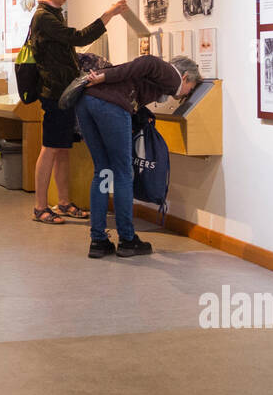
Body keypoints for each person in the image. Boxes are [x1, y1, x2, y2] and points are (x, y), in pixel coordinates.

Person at [68, 54, 201, 256]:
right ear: (186, 77)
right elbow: (146, 62)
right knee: (123, 173)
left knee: (103, 171)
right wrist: (104, 76)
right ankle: (127, 239)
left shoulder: (161, 82)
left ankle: (98, 240)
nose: (185, 94)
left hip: (87, 102)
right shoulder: (172, 75)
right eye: (189, 89)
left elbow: (138, 77)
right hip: (110, 106)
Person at [26, 0, 126, 224]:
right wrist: (109, 15)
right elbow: (78, 38)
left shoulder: (52, 16)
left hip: (64, 92)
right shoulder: (44, 17)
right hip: (55, 93)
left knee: (62, 149)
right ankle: (40, 207)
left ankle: (63, 201)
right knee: (50, 148)